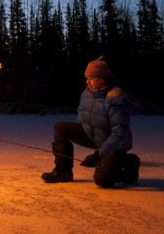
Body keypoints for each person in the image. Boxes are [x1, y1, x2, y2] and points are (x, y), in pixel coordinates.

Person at [41, 57, 140, 187]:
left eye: (91, 78)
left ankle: (127, 163)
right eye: (86, 78)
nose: (87, 82)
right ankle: (63, 171)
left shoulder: (115, 98)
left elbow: (119, 134)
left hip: (115, 145)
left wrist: (99, 154)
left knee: (103, 180)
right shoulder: (87, 93)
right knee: (61, 127)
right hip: (95, 136)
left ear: (102, 79)